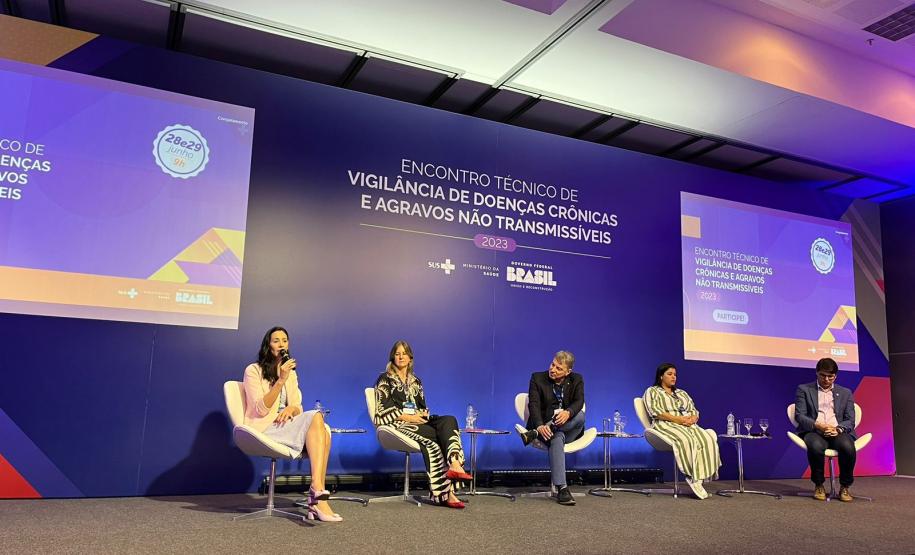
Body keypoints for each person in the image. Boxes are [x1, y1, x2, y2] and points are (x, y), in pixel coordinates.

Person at [242, 326, 340, 522]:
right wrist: (280, 380)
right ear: (268, 345)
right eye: (276, 340)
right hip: (263, 428)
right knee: (316, 418)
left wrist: (290, 409)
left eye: (285, 341)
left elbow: (297, 407)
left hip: (285, 425)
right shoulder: (253, 370)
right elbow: (260, 409)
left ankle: (317, 491)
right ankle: (317, 495)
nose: (281, 344)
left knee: (323, 426)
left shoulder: (291, 373)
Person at [372, 340, 473, 508]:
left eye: (404, 354)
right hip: (398, 424)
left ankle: (454, 463)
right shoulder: (384, 379)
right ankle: (446, 494)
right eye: (397, 354)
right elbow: (382, 411)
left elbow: (421, 406)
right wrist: (408, 417)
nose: (401, 357)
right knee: (436, 438)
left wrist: (422, 413)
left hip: (418, 422)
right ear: (392, 358)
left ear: (410, 358)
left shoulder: (416, 381)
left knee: (449, 420)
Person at [515, 351, 585, 506]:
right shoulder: (537, 378)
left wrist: (568, 412)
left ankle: (539, 432)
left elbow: (579, 401)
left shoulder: (577, 379)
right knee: (557, 437)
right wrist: (540, 426)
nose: (553, 369)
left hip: (570, 429)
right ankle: (562, 488)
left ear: (568, 372)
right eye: (553, 364)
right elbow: (533, 405)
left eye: (559, 368)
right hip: (545, 431)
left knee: (580, 416)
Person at [642, 363, 720, 499]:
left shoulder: (681, 393)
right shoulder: (652, 391)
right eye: (669, 374)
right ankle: (691, 476)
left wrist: (692, 419)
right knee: (686, 440)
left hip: (687, 424)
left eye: (675, 374)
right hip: (665, 424)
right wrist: (678, 419)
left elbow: (694, 410)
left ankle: (699, 477)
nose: (673, 377)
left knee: (707, 438)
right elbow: (655, 411)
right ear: (661, 376)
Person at [794, 357, 857, 502]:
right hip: (814, 430)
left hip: (837, 431)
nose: (826, 379)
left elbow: (850, 419)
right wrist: (818, 425)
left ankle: (845, 486)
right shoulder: (804, 389)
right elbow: (800, 415)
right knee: (815, 446)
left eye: (830, 376)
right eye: (823, 375)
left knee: (848, 447)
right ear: (817, 373)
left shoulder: (845, 392)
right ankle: (819, 485)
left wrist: (838, 429)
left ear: (836, 376)